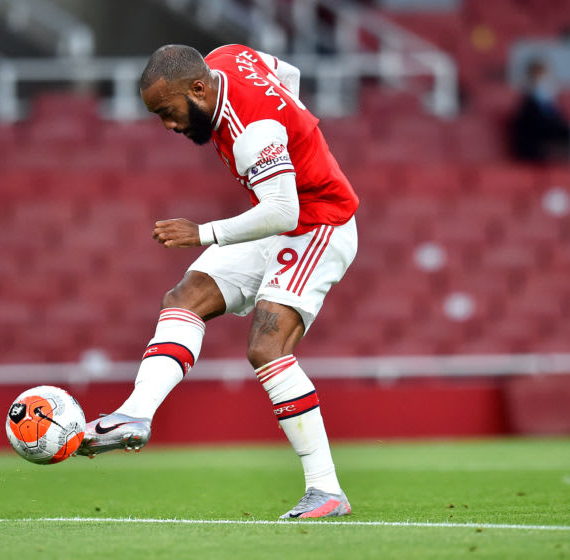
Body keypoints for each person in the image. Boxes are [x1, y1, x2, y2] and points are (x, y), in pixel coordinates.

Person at [76, 44, 360, 520]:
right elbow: (287, 73)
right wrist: (295, 128)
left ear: (198, 88)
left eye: (168, 112)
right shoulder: (228, 56)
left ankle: (326, 490)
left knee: (267, 347)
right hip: (276, 221)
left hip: (318, 223)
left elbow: (284, 210)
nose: (168, 125)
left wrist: (202, 233)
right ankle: (136, 413)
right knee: (185, 297)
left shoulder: (253, 131)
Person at [510, 58, 570, 163]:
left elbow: (559, 123)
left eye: (544, 74)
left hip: (550, 138)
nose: (543, 79)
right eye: (539, 75)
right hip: (533, 145)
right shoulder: (526, 103)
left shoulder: (551, 101)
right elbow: (533, 126)